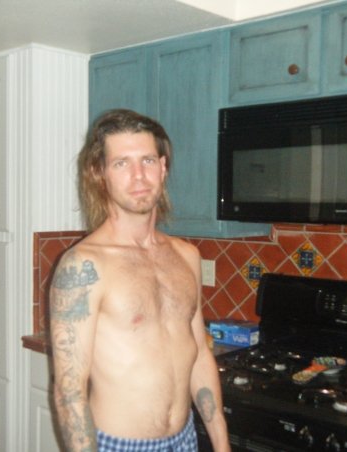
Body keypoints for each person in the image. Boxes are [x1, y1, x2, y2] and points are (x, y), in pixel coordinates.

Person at [49, 109, 230, 452]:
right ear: (100, 173)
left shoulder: (186, 256)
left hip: (185, 440)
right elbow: (69, 391)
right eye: (121, 163)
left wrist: (221, 444)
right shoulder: (84, 266)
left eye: (147, 160)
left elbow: (198, 355)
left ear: (163, 167)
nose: (138, 176)